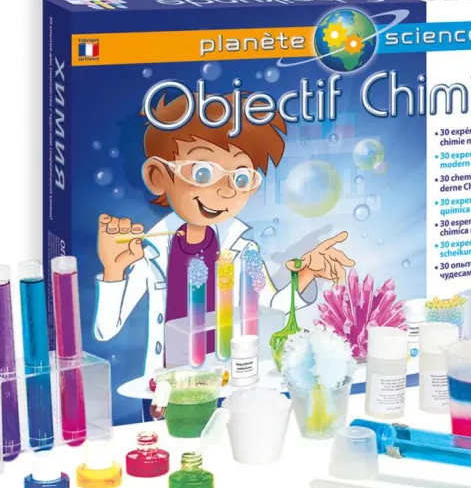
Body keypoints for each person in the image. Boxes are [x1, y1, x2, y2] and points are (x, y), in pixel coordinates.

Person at [94, 90, 354, 376]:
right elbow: (106, 330)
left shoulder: (245, 252)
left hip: (227, 378)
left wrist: (306, 273)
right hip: (169, 385)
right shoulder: (150, 253)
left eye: (241, 178)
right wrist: (113, 271)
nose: (227, 191)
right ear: (158, 176)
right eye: (203, 173)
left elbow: (270, 303)